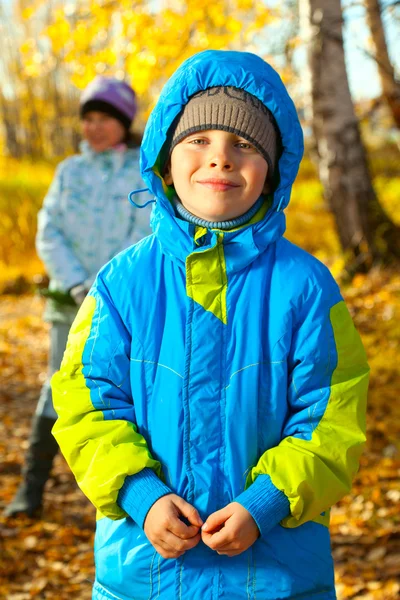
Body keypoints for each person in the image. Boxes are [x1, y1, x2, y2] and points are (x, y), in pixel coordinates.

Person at [51, 51, 369, 600]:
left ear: (273, 169)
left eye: (244, 145)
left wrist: (267, 501)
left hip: (276, 576)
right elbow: (86, 405)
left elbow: (333, 416)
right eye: (198, 141)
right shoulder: (121, 285)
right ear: (165, 162)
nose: (219, 159)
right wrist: (139, 493)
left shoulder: (307, 288)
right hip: (145, 575)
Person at [5, 76, 152, 518]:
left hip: (123, 305)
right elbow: (49, 230)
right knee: (57, 386)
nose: (94, 127)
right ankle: (31, 491)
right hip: (67, 302)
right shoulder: (69, 171)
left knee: (122, 387)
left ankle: (129, 488)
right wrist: (74, 283)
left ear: (123, 123)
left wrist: (106, 286)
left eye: (105, 118)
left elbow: (143, 234)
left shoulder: (141, 172)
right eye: (88, 119)